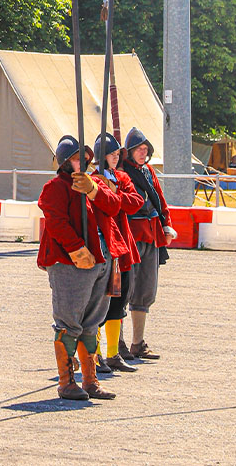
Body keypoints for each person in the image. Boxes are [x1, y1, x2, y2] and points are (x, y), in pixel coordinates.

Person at [37, 135, 124, 401]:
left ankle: (90, 380)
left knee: (92, 322)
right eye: (77, 159)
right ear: (65, 163)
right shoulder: (55, 187)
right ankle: (66, 382)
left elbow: (114, 206)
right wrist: (76, 248)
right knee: (68, 322)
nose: (84, 162)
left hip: (101, 258)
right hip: (69, 263)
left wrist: (93, 190)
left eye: (85, 158)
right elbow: (56, 222)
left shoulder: (95, 183)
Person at [91, 133, 144, 373]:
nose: (115, 158)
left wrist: (116, 194)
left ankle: (113, 354)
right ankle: (95, 355)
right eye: (111, 154)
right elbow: (107, 205)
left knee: (119, 302)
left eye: (116, 154)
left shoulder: (121, 177)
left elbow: (136, 202)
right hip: (106, 244)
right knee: (99, 304)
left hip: (123, 246)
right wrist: (112, 195)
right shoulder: (94, 180)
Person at [121, 127, 176, 360]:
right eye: (138, 149)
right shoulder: (121, 173)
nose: (143, 153)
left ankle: (137, 343)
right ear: (129, 151)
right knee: (122, 292)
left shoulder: (149, 171)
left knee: (145, 291)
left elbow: (160, 201)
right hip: (130, 236)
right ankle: (117, 345)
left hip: (151, 236)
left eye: (145, 149)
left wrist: (166, 225)